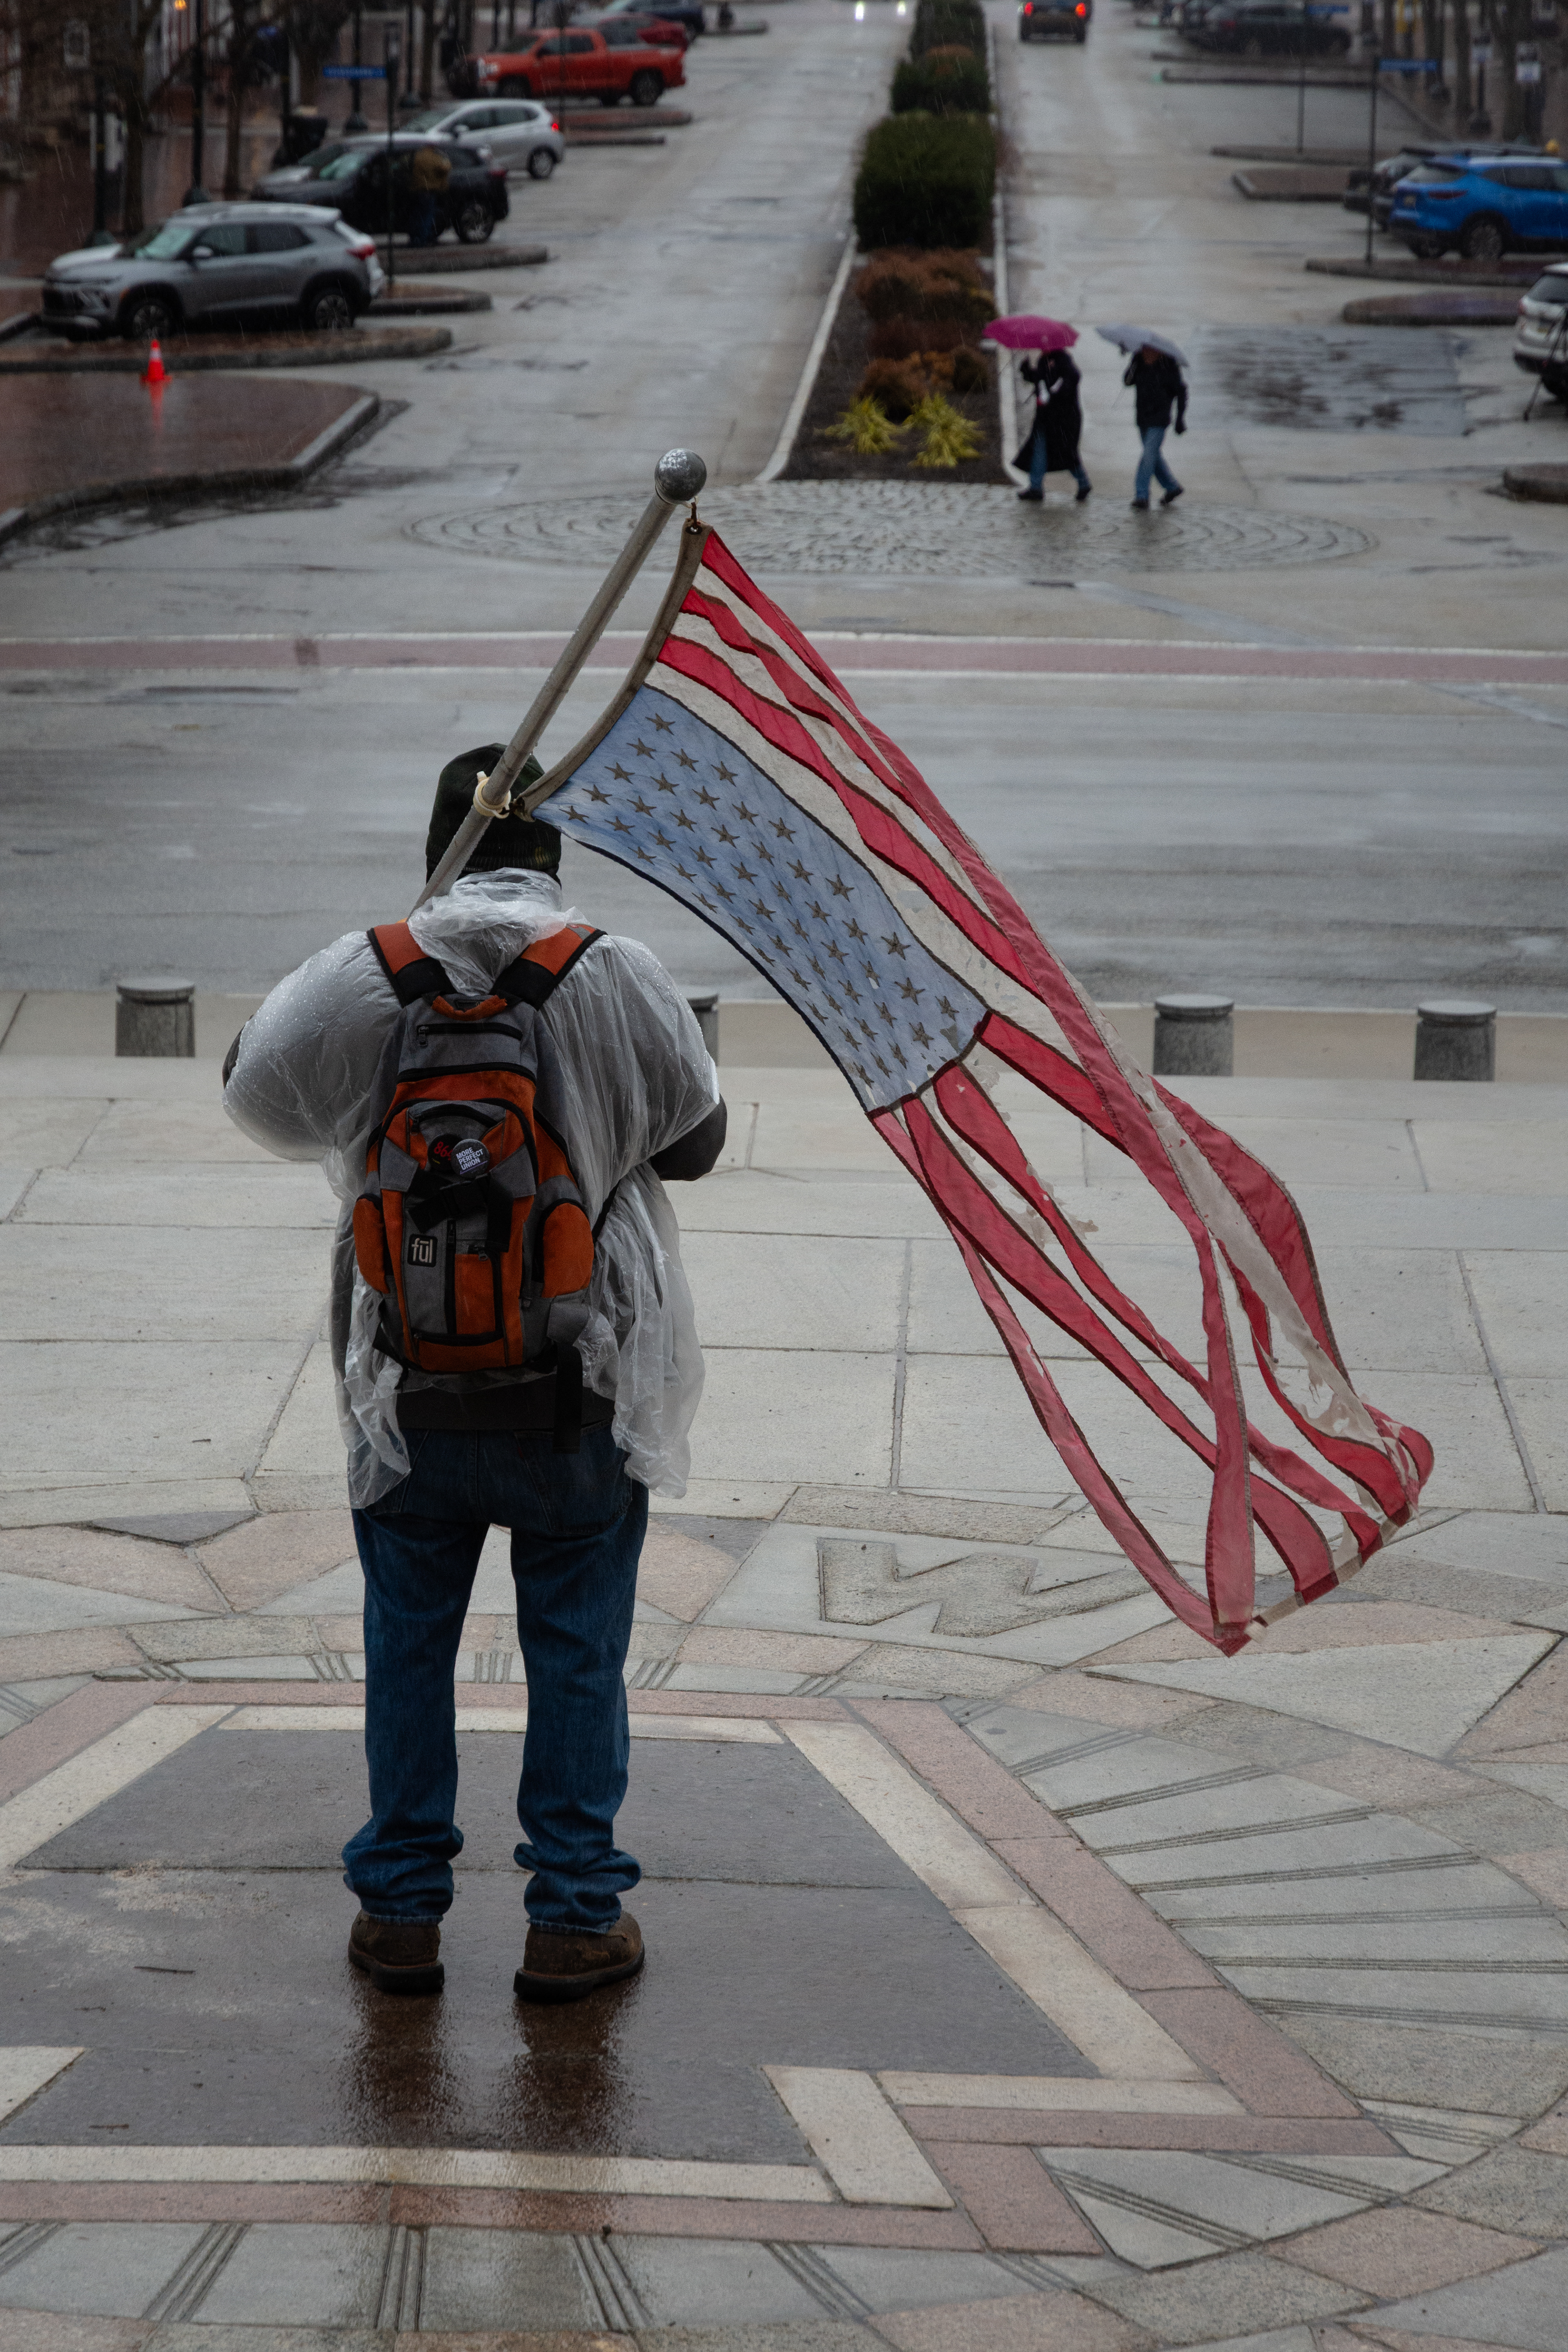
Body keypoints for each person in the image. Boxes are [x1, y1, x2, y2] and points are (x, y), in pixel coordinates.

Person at [223, 749, 726, 2004]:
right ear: (552, 853)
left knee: (407, 1639)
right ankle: (571, 1915)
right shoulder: (612, 970)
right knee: (573, 1644)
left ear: (437, 844)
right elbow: (701, 1141)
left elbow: (257, 1102)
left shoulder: (362, 972)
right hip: (582, 1369)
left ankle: (399, 1912)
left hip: (405, 1381)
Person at [1015, 347, 1091, 504]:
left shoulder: (1063, 360)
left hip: (1064, 419)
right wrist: (1026, 370)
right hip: (1045, 417)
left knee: (1066, 452)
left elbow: (1072, 379)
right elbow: (1039, 379)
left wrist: (1055, 392)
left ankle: (1083, 482)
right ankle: (1036, 488)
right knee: (1039, 449)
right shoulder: (1044, 361)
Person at [1123, 342, 1187, 510]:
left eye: (1150, 351)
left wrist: (1180, 418)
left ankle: (1142, 496)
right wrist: (1133, 364)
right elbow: (1128, 382)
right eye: (1144, 350)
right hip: (1143, 417)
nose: (1147, 354)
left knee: (1148, 456)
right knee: (1154, 456)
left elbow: (1181, 392)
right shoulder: (1138, 362)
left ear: (1159, 352)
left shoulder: (1169, 366)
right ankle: (1173, 488)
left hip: (1160, 419)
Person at [408, 142, 452, 247]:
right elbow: (445, 168)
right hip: (429, 191)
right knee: (427, 216)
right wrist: (446, 160)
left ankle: (416, 239)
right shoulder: (434, 157)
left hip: (417, 190)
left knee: (418, 216)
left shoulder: (418, 156)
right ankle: (423, 239)